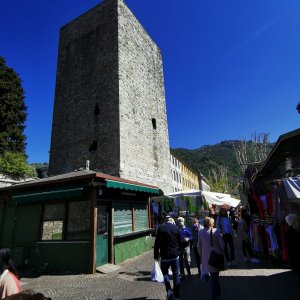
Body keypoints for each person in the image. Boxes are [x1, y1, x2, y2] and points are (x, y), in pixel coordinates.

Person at [154, 215, 181, 300]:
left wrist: (156, 256)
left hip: (164, 256)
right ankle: (177, 295)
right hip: (174, 255)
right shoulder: (176, 228)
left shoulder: (161, 228)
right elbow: (180, 240)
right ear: (171, 220)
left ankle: (169, 290)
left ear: (165, 220)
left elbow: (157, 243)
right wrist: (179, 250)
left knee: (165, 273)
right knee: (176, 274)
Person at [197, 217, 225, 300]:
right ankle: (214, 297)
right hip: (215, 257)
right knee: (214, 278)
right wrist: (222, 252)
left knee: (214, 277)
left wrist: (201, 255)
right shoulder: (216, 231)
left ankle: (219, 294)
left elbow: (199, 246)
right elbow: (222, 245)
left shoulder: (200, 232)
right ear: (212, 223)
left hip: (206, 258)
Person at [285, 213, 300, 298]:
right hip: (297, 261)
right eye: (298, 220)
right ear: (293, 222)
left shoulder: (292, 231)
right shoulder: (291, 233)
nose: (299, 221)